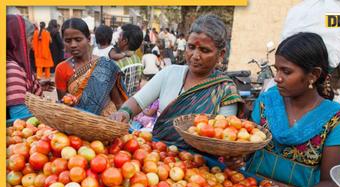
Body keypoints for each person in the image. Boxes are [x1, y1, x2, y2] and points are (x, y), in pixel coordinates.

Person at [227, 33, 340, 187]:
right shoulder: (266, 103)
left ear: (313, 75)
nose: (277, 77)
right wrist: (237, 158)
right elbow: (249, 151)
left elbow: (331, 182)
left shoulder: (337, 120)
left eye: (286, 71)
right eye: (276, 69)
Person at [110, 14, 244, 147]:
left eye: (204, 50)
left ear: (220, 54)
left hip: (202, 164)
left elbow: (224, 138)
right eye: (191, 47)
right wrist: (124, 113)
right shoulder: (170, 73)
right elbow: (138, 101)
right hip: (160, 156)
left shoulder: (225, 90)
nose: (195, 56)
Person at [55, 18, 125, 116]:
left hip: (109, 122)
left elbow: (118, 102)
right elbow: (63, 106)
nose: (73, 45)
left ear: (88, 39)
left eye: (78, 40)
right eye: (68, 41)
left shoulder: (105, 65)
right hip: (81, 123)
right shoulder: (61, 69)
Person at [6, 15, 53, 120]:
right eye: (31, 39)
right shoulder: (12, 69)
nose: (32, 46)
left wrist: (31, 85)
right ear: (16, 40)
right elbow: (20, 117)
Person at [114, 23, 144, 98]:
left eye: (120, 36)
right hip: (131, 103)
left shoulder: (118, 63)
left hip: (119, 104)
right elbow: (138, 84)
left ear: (125, 41)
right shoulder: (138, 60)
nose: (118, 38)